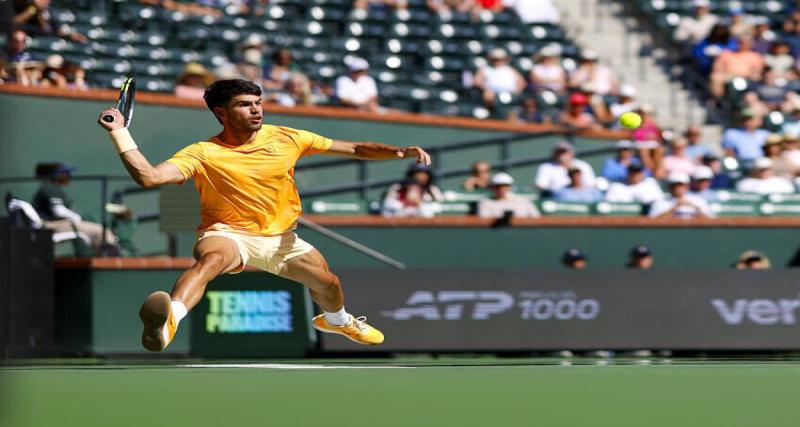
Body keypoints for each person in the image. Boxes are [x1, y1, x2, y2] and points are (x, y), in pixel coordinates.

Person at [96, 79, 432, 351]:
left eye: (258, 103)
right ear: (221, 113)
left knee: (329, 283)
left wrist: (399, 152)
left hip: (283, 239)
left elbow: (355, 149)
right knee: (211, 260)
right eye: (244, 105)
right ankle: (169, 322)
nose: (256, 110)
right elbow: (150, 177)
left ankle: (339, 321)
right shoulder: (203, 153)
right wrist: (119, 133)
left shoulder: (288, 137)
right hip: (228, 233)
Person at [32, 163, 119, 253]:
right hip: (51, 225)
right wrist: (76, 217)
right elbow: (58, 210)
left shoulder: (54, 187)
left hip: (60, 223)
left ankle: (104, 260)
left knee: (99, 231)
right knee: (101, 231)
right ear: (57, 175)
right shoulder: (50, 187)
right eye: (66, 173)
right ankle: (113, 260)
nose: (69, 176)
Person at [649, 172, 715, 219]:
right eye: (674, 185)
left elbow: (711, 220)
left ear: (687, 186)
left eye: (681, 185)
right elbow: (653, 221)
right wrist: (674, 208)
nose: (677, 188)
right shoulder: (660, 201)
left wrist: (695, 208)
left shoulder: (698, 200)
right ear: (669, 187)